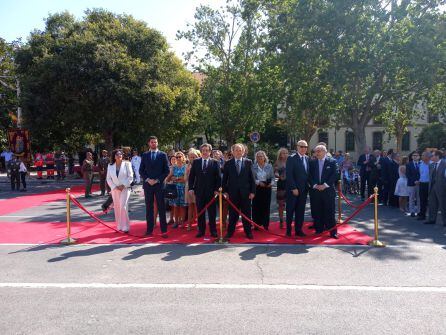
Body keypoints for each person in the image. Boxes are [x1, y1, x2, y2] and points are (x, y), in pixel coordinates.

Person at [222, 143, 256, 239]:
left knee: (247, 214)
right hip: (233, 194)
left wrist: (253, 192)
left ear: (243, 151)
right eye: (236, 150)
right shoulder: (228, 163)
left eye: (240, 150)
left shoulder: (248, 162)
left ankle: (248, 232)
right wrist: (225, 191)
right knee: (233, 214)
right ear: (232, 152)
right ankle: (230, 232)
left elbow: (252, 178)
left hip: (246, 194)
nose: (238, 152)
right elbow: (224, 179)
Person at [188, 144, 221, 238]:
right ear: (201, 151)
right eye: (203, 150)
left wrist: (216, 190)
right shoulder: (196, 162)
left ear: (210, 152)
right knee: (200, 212)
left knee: (212, 213)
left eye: (207, 150)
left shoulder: (215, 162)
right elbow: (191, 177)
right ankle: (201, 231)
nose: (205, 152)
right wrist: (191, 188)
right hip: (199, 191)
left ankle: (213, 231)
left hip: (211, 192)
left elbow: (218, 178)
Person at [139, 136, 170, 237]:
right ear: (149, 143)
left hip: (159, 185)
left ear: (157, 143)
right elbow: (141, 170)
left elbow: (167, 171)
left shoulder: (163, 155)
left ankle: (164, 231)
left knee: (161, 207)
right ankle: (149, 230)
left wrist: (157, 180)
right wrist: (148, 179)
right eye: (152, 142)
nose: (154, 144)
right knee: (149, 208)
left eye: (155, 142)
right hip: (148, 185)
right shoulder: (145, 155)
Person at [309, 144, 339, 239]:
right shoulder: (312, 162)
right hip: (316, 191)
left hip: (328, 191)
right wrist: (315, 185)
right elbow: (309, 175)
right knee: (317, 211)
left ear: (325, 152)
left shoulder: (332, 162)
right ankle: (319, 230)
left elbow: (335, 174)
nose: (317, 153)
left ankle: (332, 232)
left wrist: (325, 185)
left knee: (330, 211)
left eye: (319, 151)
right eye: (316, 151)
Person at [286, 140, 310, 237]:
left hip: (303, 190)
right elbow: (289, 174)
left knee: (300, 211)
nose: (304, 148)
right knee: (290, 211)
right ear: (297, 147)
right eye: (302, 146)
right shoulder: (291, 158)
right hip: (293, 190)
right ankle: (288, 230)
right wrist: (293, 188)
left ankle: (298, 230)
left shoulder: (308, 158)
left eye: (305, 147)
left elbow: (307, 174)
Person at [106, 149, 134, 233]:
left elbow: (131, 176)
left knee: (123, 206)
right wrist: (114, 186)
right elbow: (108, 178)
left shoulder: (127, 164)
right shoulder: (110, 166)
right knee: (117, 207)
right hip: (115, 189)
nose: (119, 155)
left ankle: (126, 227)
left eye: (121, 154)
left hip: (125, 188)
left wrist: (123, 185)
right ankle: (119, 226)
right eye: (117, 154)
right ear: (114, 156)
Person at [252, 150, 275, 230]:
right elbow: (252, 178)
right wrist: (258, 182)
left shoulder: (269, 166)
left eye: (261, 156)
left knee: (266, 207)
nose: (260, 158)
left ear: (264, 157)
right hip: (257, 188)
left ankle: (265, 225)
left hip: (267, 188)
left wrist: (271, 183)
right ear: (256, 158)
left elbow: (273, 177)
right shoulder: (253, 166)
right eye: (258, 156)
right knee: (256, 207)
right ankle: (256, 224)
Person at [166, 152, 188, 228]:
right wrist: (176, 178)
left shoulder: (186, 166)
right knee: (175, 206)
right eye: (177, 157)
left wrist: (175, 178)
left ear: (183, 157)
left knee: (182, 206)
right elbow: (169, 178)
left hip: (182, 188)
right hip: (175, 189)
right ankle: (176, 222)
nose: (178, 158)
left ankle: (182, 222)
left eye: (180, 157)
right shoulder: (173, 167)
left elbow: (184, 179)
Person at [425, 150, 446, 226]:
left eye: (432, 155)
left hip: (442, 188)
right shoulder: (431, 165)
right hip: (432, 187)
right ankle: (431, 219)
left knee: (443, 205)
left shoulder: (444, 164)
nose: (431, 157)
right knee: (432, 204)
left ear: (437, 156)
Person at [185, 148, 200, 230]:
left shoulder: (199, 164)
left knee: (197, 206)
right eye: (190, 157)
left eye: (194, 157)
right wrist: (187, 172)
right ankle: (189, 224)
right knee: (190, 206)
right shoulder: (187, 166)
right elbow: (185, 178)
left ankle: (199, 224)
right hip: (189, 187)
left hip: (198, 187)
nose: (192, 158)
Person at [274, 148, 288, 228]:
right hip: (281, 184)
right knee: (281, 204)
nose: (285, 154)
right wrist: (278, 175)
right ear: (280, 154)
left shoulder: (291, 161)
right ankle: (281, 220)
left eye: (286, 153)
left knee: (290, 204)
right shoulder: (277, 162)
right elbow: (275, 172)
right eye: (283, 153)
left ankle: (289, 221)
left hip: (290, 184)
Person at [406, 151, 421, 217]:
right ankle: (412, 211)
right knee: (411, 198)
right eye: (414, 155)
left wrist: (419, 181)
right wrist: (414, 181)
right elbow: (408, 175)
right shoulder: (409, 164)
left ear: (419, 157)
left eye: (416, 155)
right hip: (411, 184)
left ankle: (419, 211)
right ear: (412, 157)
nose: (415, 156)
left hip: (420, 184)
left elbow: (423, 173)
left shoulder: (421, 164)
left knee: (419, 198)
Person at [417, 151, 431, 221]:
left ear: (427, 157)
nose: (421, 156)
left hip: (429, 184)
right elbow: (419, 174)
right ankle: (422, 214)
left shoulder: (431, 164)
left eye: (423, 155)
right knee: (422, 199)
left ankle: (431, 215)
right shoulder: (420, 164)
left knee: (431, 200)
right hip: (422, 184)